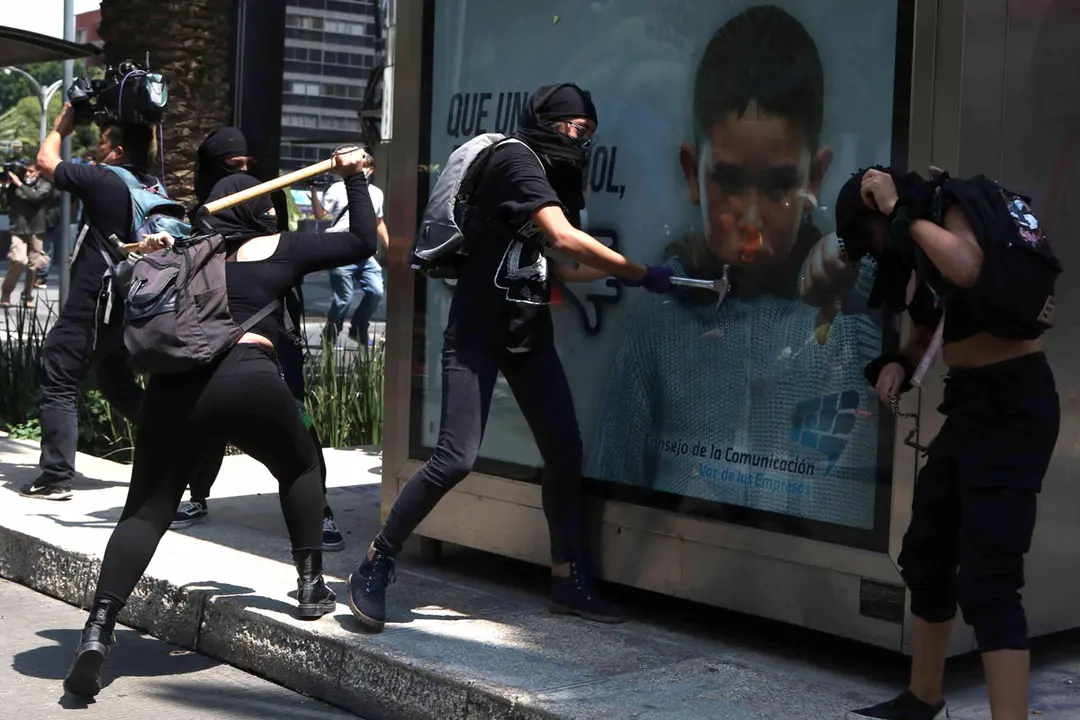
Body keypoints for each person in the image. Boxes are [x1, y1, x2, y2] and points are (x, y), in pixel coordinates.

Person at [347, 83, 674, 632]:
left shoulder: (554, 174)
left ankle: (568, 579)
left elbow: (565, 267)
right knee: (455, 458)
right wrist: (637, 271)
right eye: (573, 126)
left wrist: (655, 281)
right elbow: (562, 239)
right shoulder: (516, 160)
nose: (579, 137)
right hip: (476, 333)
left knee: (565, 450)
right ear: (548, 120)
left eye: (589, 131)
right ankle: (374, 563)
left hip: (528, 335)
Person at [62, 146, 377, 699]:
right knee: (301, 461)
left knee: (145, 511)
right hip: (247, 377)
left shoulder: (178, 252)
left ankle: (97, 630)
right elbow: (361, 243)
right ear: (260, 212)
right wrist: (356, 179)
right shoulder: (280, 247)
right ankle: (310, 586)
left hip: (172, 391)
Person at [589, 4, 882, 527]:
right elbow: (613, 477)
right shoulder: (657, 328)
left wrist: (858, 269)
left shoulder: (853, 320)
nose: (750, 219)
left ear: (814, 179)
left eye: (777, 185)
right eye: (727, 180)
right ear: (690, 173)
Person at [836, 167, 1061, 720]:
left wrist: (897, 214)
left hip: (1015, 404)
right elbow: (927, 332)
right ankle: (923, 697)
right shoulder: (915, 242)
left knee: (990, 577)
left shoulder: (945, 206)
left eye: (868, 237)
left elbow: (968, 264)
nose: (874, 249)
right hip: (969, 402)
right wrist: (898, 365)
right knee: (927, 553)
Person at [169, 127, 347, 551]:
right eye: (233, 166)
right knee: (203, 418)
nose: (243, 173)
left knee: (298, 421)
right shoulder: (203, 211)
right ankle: (197, 495)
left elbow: (284, 247)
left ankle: (319, 510)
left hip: (271, 333)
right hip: (212, 334)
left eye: (248, 164)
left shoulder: (267, 196)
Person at [24, 104, 212, 500]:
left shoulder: (105, 180)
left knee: (59, 372)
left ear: (119, 151)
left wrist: (63, 124)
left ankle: (55, 477)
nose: (96, 152)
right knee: (118, 384)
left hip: (95, 301)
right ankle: (184, 454)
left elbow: (45, 162)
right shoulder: (150, 187)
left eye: (103, 144)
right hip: (132, 307)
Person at [316, 151, 389, 346]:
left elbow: (378, 221)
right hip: (340, 248)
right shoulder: (337, 189)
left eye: (363, 166)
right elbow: (320, 215)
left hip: (364, 252)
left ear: (370, 170)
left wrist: (389, 245)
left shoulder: (376, 193)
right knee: (343, 299)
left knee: (376, 290)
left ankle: (358, 328)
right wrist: (314, 192)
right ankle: (330, 336)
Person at [2, 162, 53, 308]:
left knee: (34, 266)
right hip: (18, 229)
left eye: (31, 172)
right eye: (26, 172)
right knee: (18, 260)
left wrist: (19, 184)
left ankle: (27, 295)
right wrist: (6, 186)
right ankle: (6, 293)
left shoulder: (45, 185)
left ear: (38, 173)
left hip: (36, 230)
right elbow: (5, 203)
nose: (28, 175)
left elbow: (34, 197)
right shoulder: (16, 185)